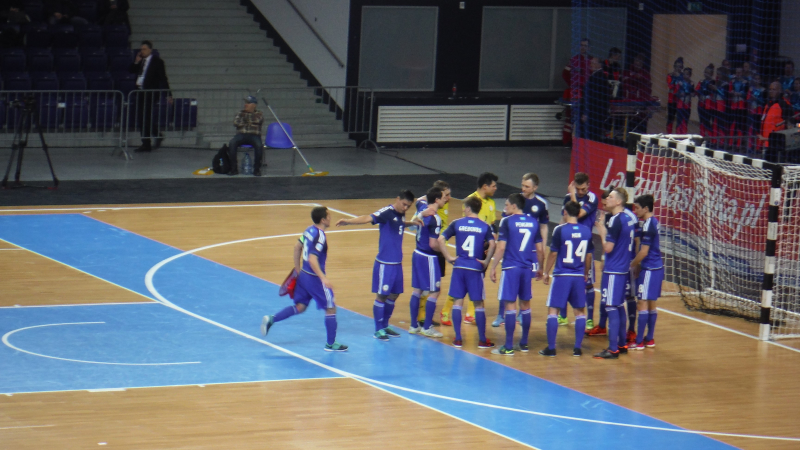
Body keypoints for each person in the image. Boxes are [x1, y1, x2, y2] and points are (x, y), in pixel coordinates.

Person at [260, 206, 348, 352]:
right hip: (315, 279)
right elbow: (313, 259)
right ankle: (331, 344)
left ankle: (272, 319)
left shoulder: (308, 230)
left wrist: (298, 269)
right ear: (323, 219)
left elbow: (297, 247)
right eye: (329, 216)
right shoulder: (320, 236)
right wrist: (323, 278)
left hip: (304, 276)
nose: (330, 218)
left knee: (300, 307)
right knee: (331, 307)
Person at [335, 190, 418, 341]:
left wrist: (410, 223)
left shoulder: (400, 214)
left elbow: (397, 224)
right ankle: (378, 329)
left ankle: (385, 325)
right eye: (404, 204)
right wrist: (348, 221)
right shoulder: (387, 212)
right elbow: (368, 217)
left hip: (397, 263)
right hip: (385, 263)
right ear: (397, 199)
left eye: (409, 206)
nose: (405, 208)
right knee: (382, 295)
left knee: (394, 294)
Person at [489, 194, 544, 355]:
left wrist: (492, 267)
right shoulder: (534, 222)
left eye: (506, 205)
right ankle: (524, 343)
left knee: (510, 306)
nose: (505, 208)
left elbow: (500, 248)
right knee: (525, 306)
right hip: (527, 268)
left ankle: (508, 346)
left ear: (514, 206)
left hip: (511, 268)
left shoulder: (507, 221)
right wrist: (540, 268)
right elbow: (540, 249)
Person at [438, 196, 496, 349]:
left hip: (459, 267)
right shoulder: (484, 226)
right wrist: (486, 261)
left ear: (469, 208)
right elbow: (492, 243)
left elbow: (440, 240)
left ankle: (458, 339)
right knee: (478, 304)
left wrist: (449, 257)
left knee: (458, 302)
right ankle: (482, 340)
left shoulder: (457, 223)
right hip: (475, 268)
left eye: (465, 207)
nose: (463, 210)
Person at [540, 201, 592, 357]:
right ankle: (577, 348)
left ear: (565, 212)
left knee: (553, 311)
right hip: (577, 276)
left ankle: (551, 348)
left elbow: (554, 253)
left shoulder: (560, 230)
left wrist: (545, 272)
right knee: (580, 312)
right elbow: (588, 255)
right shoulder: (587, 231)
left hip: (562, 275)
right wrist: (585, 272)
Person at [593, 188, 635, 360]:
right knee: (618, 306)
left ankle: (612, 349)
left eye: (610, 197)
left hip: (614, 269)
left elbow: (608, 247)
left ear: (618, 201)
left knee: (611, 307)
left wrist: (602, 230)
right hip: (623, 267)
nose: (607, 199)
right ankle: (621, 344)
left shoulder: (616, 221)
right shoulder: (628, 218)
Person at [408, 187, 447, 338]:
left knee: (417, 290)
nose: (446, 199)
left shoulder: (423, 207)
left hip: (417, 253)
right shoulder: (435, 218)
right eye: (444, 197)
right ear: (436, 200)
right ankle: (427, 327)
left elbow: (419, 199)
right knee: (435, 291)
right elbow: (433, 244)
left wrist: (431, 192)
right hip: (428, 257)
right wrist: (445, 252)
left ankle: (413, 325)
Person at [563, 172, 599, 331]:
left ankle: (590, 319)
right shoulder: (568, 197)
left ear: (588, 185)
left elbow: (577, 214)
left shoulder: (592, 198)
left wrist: (572, 195)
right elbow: (565, 219)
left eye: (583, 189)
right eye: (578, 189)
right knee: (565, 278)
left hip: (585, 243)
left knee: (588, 283)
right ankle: (562, 316)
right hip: (571, 241)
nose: (580, 192)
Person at [630, 194, 663, 350]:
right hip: (655, 268)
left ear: (646, 208)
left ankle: (638, 342)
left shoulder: (648, 225)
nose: (635, 210)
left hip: (650, 269)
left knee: (642, 303)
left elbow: (643, 252)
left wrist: (632, 264)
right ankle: (649, 339)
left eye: (637, 208)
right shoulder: (652, 222)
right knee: (650, 303)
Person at [129, 40, 172, 153]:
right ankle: (153, 137)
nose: (141, 51)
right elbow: (131, 70)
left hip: (151, 93)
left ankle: (147, 141)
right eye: (140, 49)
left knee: (145, 117)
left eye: (144, 49)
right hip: (140, 92)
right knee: (142, 118)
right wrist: (136, 62)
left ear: (150, 50)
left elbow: (163, 78)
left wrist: (168, 94)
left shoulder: (157, 62)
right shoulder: (141, 61)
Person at [228, 96, 265, 176]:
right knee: (232, 143)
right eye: (246, 103)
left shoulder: (259, 113)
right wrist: (249, 121)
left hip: (254, 135)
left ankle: (257, 169)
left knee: (259, 146)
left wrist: (245, 121)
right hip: (241, 134)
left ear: (254, 105)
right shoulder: (240, 113)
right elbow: (236, 123)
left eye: (248, 103)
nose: (246, 105)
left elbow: (258, 121)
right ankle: (234, 169)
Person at [563, 38, 592, 138]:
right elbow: (565, 74)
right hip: (576, 92)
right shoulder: (574, 60)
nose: (583, 47)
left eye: (585, 46)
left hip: (588, 93)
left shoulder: (592, 61)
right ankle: (570, 140)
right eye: (581, 45)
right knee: (572, 117)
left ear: (589, 48)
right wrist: (573, 84)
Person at [582, 57, 610, 141]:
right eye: (591, 63)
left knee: (593, 135)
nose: (591, 65)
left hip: (594, 113)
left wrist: (586, 112)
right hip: (596, 112)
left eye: (593, 63)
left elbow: (592, 97)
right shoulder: (597, 76)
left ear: (599, 65)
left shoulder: (597, 77)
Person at [760, 81, 791, 155]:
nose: (771, 91)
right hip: (766, 143)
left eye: (774, 89)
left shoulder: (784, 104)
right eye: (770, 89)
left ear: (780, 90)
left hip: (777, 145)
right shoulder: (768, 104)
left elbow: (789, 124)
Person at [728, 66, 749, 148]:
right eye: (737, 72)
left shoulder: (745, 82)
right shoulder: (732, 81)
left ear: (742, 73)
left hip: (741, 106)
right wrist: (732, 92)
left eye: (739, 72)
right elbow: (729, 91)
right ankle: (730, 143)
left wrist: (739, 94)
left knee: (740, 125)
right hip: (733, 105)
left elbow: (746, 94)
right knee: (732, 124)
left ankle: (739, 144)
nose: (738, 74)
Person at [665, 57, 684, 134]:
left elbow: (685, 87)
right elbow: (670, 86)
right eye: (676, 66)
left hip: (680, 101)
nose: (678, 68)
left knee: (680, 119)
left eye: (680, 67)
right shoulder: (670, 75)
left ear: (682, 67)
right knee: (670, 118)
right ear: (674, 67)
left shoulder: (684, 76)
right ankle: (669, 134)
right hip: (672, 100)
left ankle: (679, 135)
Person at [696, 64, 715, 137]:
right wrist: (699, 95)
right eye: (705, 72)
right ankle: (702, 137)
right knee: (701, 122)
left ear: (711, 74)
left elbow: (713, 93)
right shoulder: (701, 81)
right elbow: (697, 90)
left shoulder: (713, 82)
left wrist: (707, 96)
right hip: (701, 104)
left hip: (708, 105)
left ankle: (710, 138)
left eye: (708, 73)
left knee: (707, 122)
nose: (706, 74)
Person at [747, 74, 766, 148]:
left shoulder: (763, 90)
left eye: (758, 79)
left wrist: (757, 99)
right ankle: (750, 146)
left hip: (760, 112)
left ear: (760, 80)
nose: (757, 80)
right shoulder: (751, 89)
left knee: (758, 129)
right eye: (755, 78)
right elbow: (747, 99)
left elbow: (764, 102)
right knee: (751, 129)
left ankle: (758, 147)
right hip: (752, 111)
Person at [675, 67, 694, 134]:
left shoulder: (691, 83)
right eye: (684, 74)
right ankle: (678, 135)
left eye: (687, 74)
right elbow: (676, 92)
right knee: (679, 121)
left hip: (687, 105)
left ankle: (684, 135)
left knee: (685, 121)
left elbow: (693, 93)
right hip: (680, 104)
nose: (685, 76)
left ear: (690, 75)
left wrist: (690, 94)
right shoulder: (680, 82)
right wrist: (680, 94)